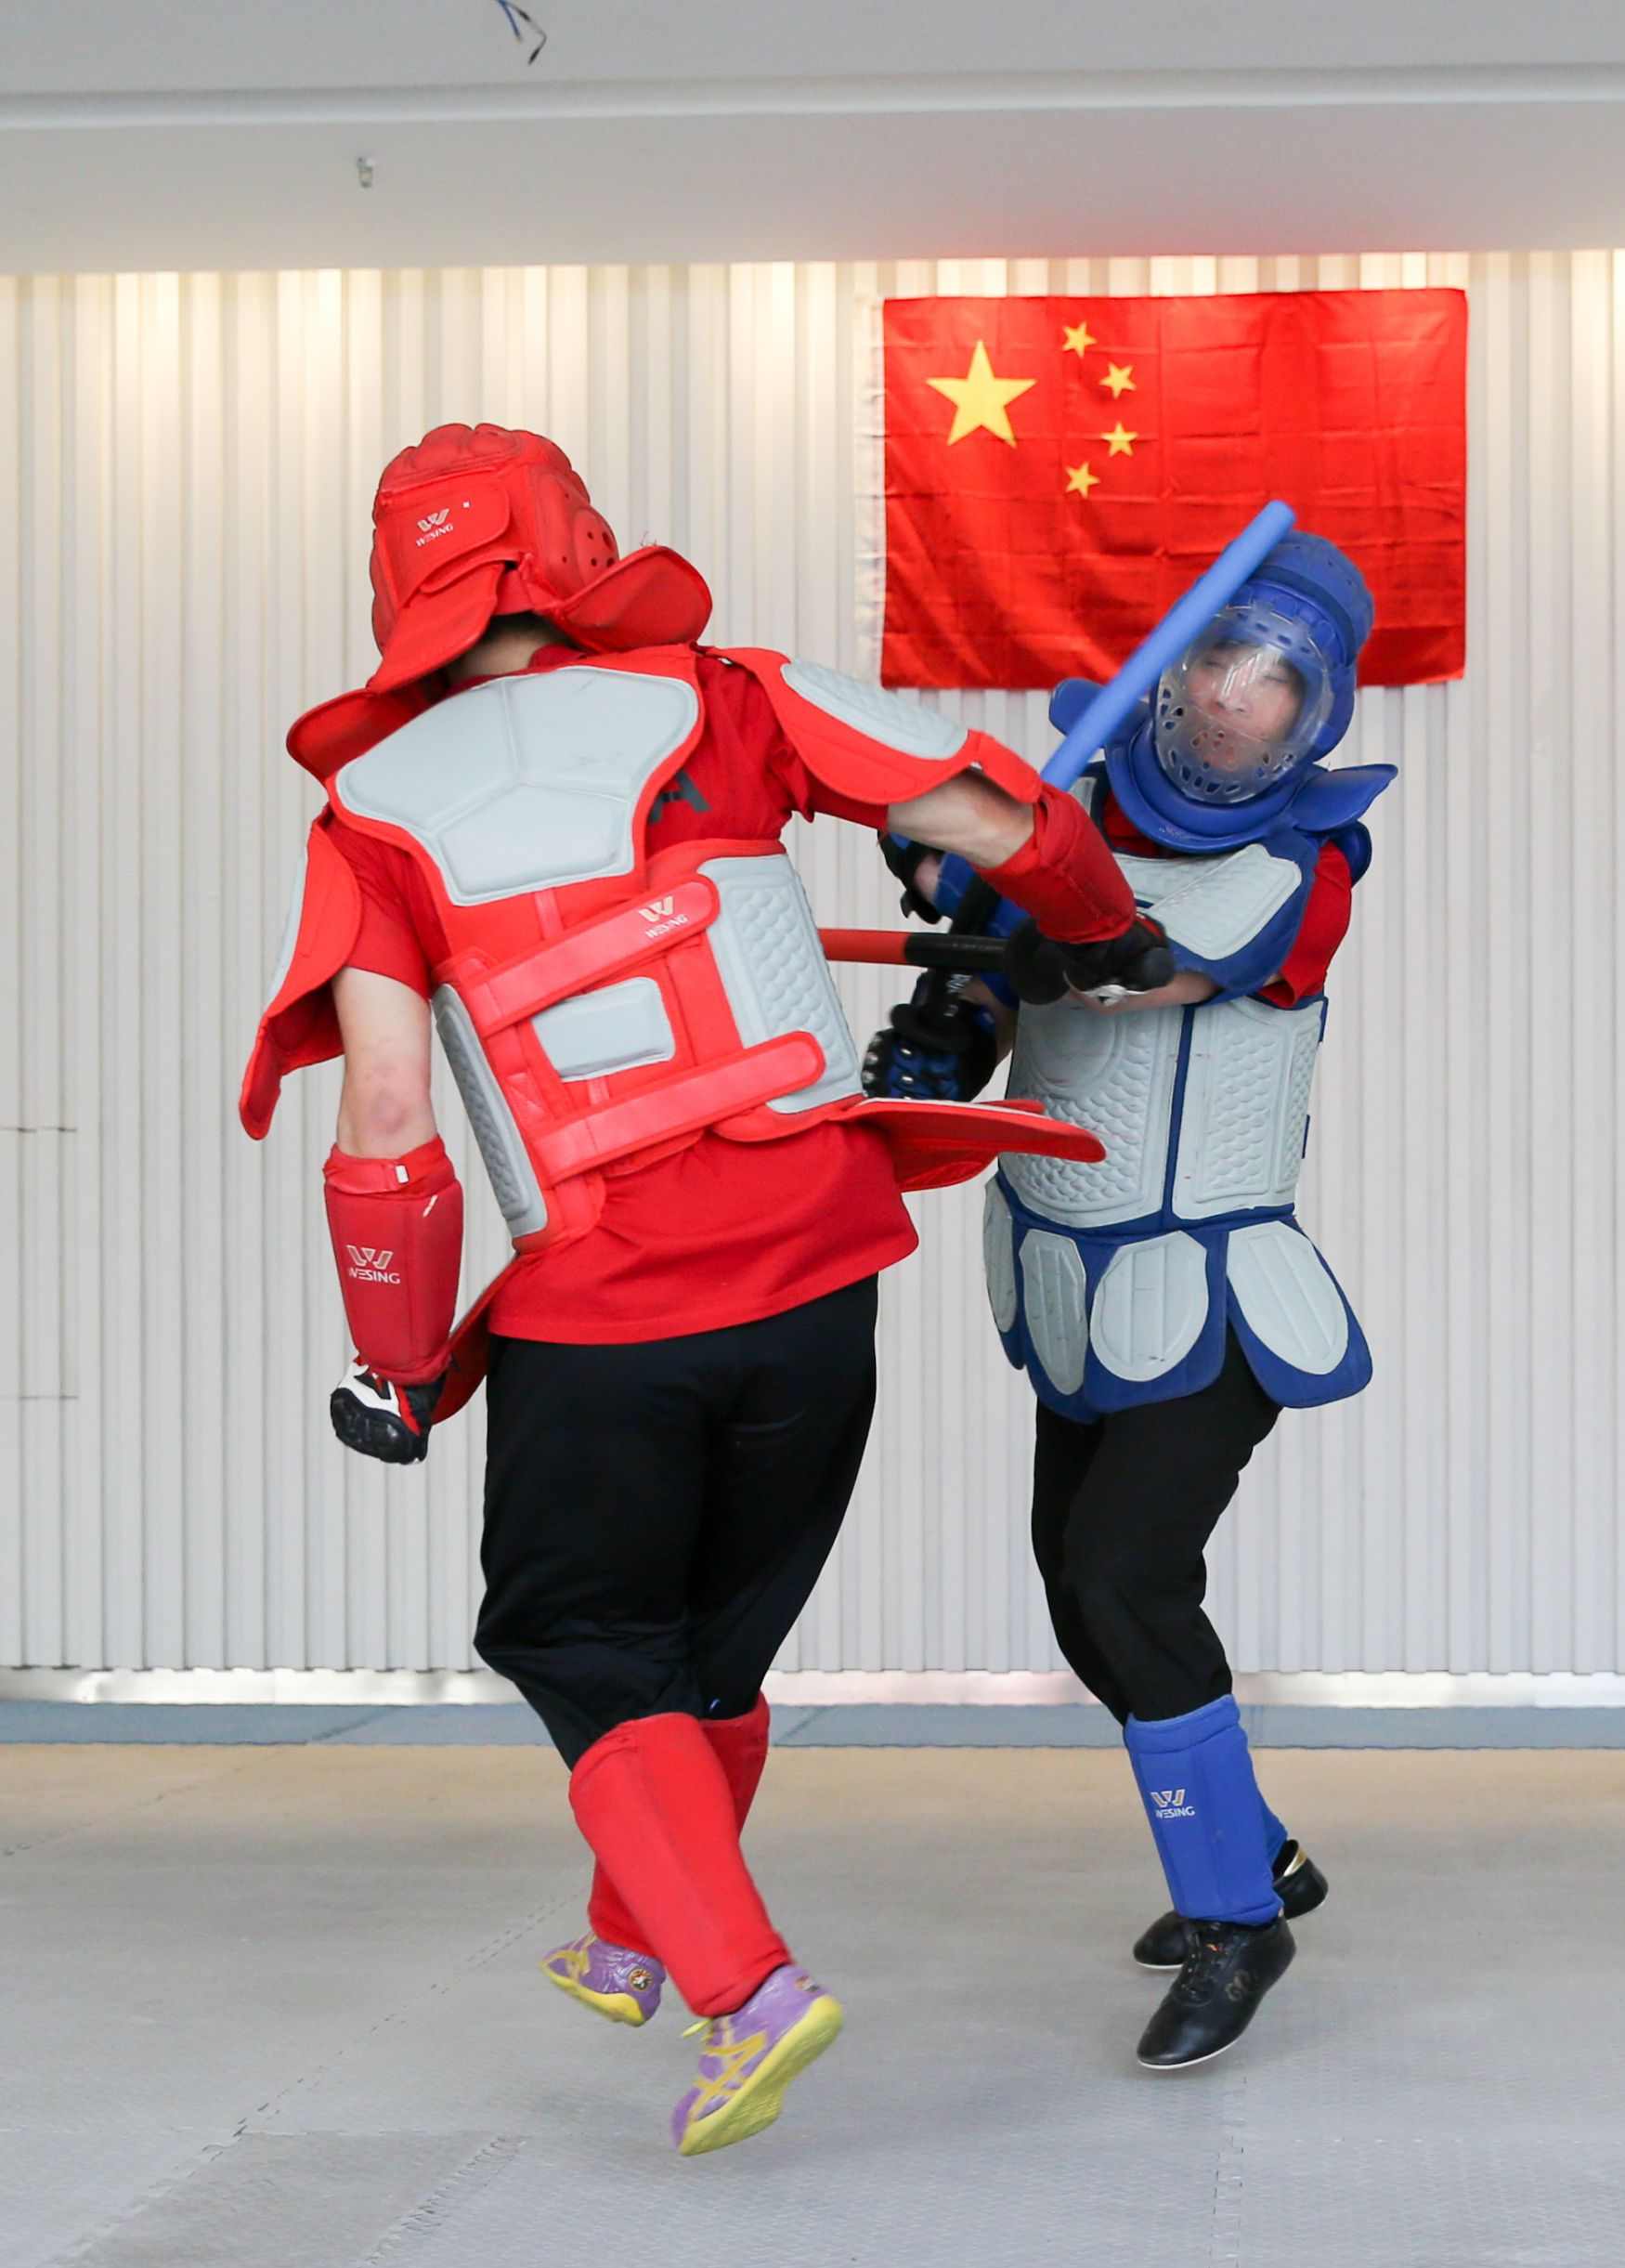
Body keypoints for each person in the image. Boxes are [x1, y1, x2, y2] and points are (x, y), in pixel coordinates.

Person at [238, 421, 1167, 2155]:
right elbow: (996, 817)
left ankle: (744, 1990)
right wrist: (1101, 924)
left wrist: (399, 1361)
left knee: (577, 1639)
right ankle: (629, 1936)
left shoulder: (367, 818)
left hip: (605, 1316)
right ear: (574, 546)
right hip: (817, 1276)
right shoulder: (728, 697)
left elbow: (387, 1124)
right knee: (708, 1658)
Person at [864, 532, 1396, 2070]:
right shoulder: (1061, 822)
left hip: (1212, 1295)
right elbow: (1001, 989)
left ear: (1309, 717)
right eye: (1217, 670)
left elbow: (1136, 966)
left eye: (1269, 690)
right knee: (1078, 1591)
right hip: (1072, 1283)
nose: (1230, 706)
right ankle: (1258, 1851)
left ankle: (1238, 1920)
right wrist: (947, 1016)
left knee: (1125, 1581)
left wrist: (983, 873)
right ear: (1173, 676)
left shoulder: (1305, 869)